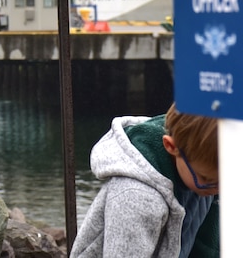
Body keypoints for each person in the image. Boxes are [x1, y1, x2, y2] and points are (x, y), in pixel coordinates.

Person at [70, 103, 219, 258]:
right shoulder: (136, 198)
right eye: (206, 178)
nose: (218, 189)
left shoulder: (204, 177)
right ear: (171, 146)